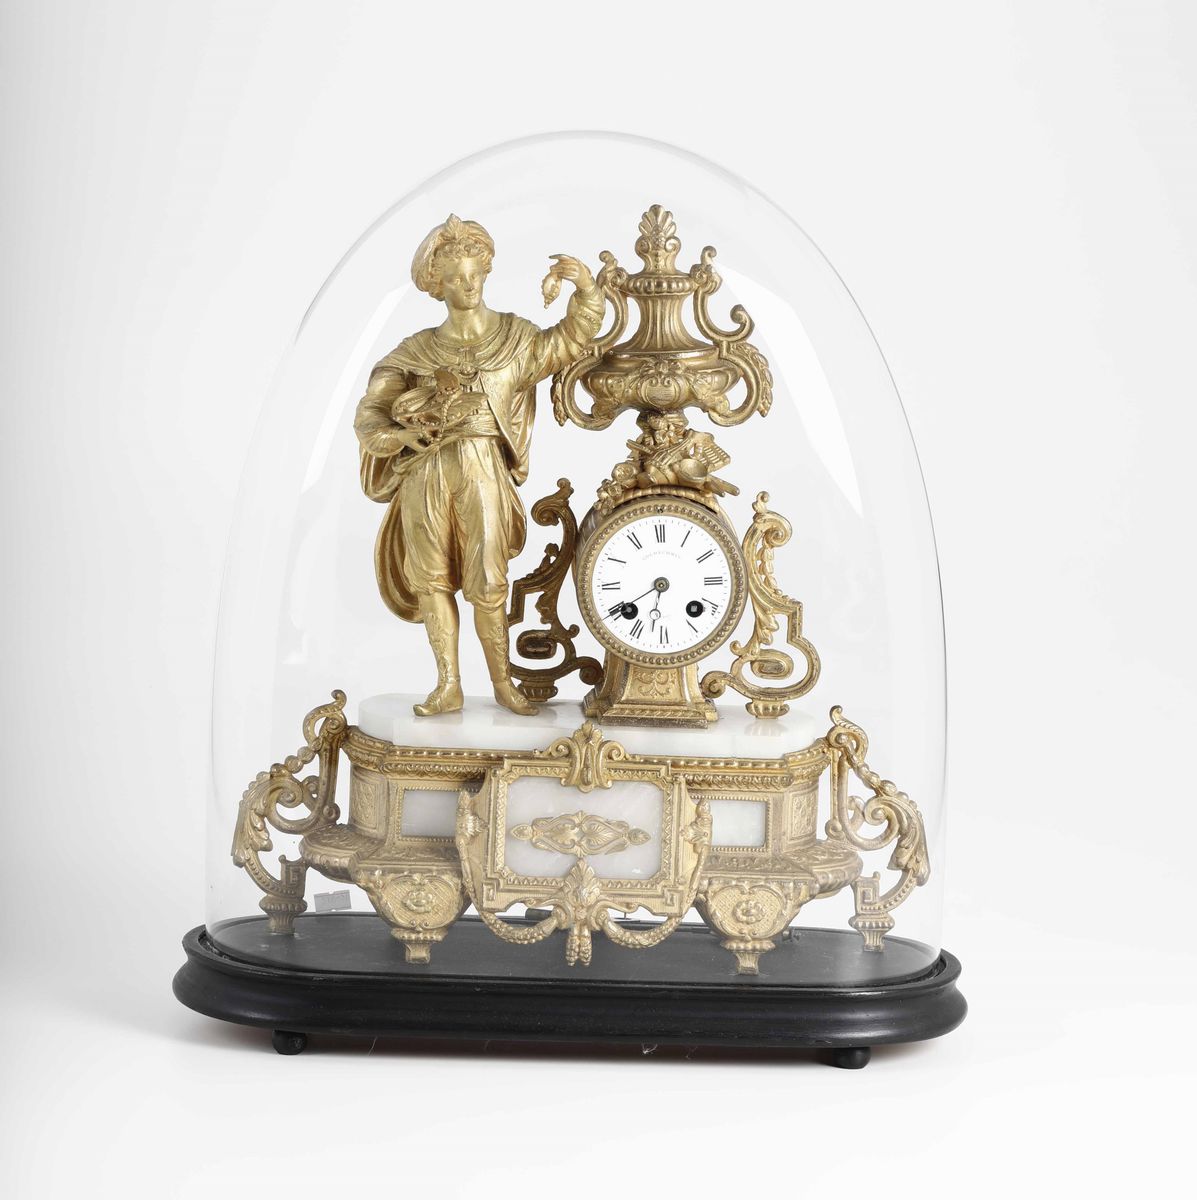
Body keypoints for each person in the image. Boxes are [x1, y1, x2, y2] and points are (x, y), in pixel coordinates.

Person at [354, 214, 604, 716]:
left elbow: (569, 340)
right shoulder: (414, 353)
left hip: (483, 466)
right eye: (455, 279)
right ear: (437, 286)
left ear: (486, 273)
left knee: (488, 582)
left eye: (474, 275)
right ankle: (448, 684)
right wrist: (402, 435)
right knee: (431, 579)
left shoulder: (514, 340)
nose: (468, 286)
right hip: (425, 472)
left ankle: (504, 684)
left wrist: (585, 290)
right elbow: (368, 417)